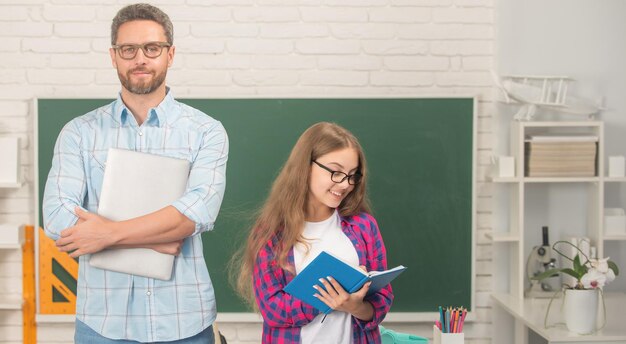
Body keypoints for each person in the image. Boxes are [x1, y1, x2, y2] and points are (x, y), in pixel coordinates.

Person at [42, 4, 228, 343]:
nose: (139, 58)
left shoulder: (206, 131)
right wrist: (158, 235)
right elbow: (57, 220)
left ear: (170, 54)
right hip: (102, 323)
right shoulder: (78, 133)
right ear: (114, 56)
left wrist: (106, 234)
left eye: (151, 48)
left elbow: (196, 213)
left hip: (184, 322)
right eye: (128, 49)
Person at [235, 122, 393, 343]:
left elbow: (382, 300)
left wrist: (355, 306)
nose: (345, 184)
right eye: (336, 172)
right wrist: (328, 299)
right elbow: (273, 311)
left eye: (352, 175)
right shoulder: (270, 233)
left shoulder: (364, 226)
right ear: (306, 166)